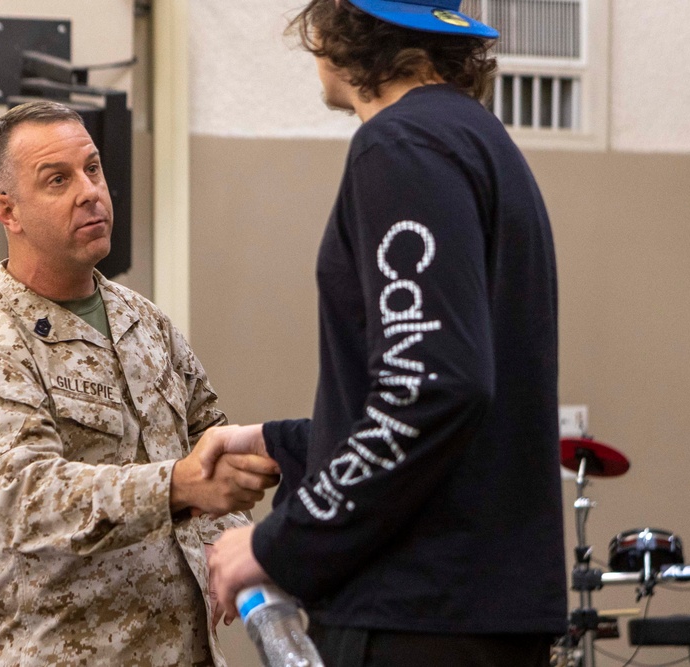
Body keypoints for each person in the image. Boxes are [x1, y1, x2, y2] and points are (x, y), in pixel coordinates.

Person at [204, 1, 567, 665]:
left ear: (338, 24)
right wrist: (274, 442)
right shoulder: (476, 139)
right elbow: (447, 400)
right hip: (474, 617)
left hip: (417, 618)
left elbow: (430, 387)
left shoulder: (400, 146)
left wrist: (275, 543)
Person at [0, 100, 280, 667]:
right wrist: (177, 486)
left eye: (93, 169)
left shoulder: (145, 321)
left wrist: (232, 534)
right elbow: (27, 500)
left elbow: (207, 433)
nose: (89, 191)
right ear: (8, 211)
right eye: (57, 180)